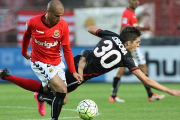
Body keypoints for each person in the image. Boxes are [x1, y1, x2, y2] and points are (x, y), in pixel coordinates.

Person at [1, 26, 180, 117]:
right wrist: (170, 90)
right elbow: (146, 80)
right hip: (79, 75)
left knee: (58, 94)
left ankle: (35, 92)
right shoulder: (126, 57)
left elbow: (90, 28)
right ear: (128, 43)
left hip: (78, 61)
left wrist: (100, 36)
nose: (138, 45)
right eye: (137, 42)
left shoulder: (112, 35)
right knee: (56, 96)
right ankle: (17, 82)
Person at [20, 0, 82, 119]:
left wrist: (73, 71)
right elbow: (26, 36)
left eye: (61, 16)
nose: (59, 18)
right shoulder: (33, 22)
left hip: (56, 63)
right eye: (57, 15)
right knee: (62, 89)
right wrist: (23, 52)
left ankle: (40, 96)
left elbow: (67, 50)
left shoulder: (63, 25)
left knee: (63, 100)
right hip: (39, 61)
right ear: (48, 12)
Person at [109, 0, 165, 103]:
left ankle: (113, 95)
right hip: (131, 45)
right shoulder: (127, 13)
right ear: (129, 2)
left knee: (121, 69)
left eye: (138, 1)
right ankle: (150, 94)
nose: (137, 2)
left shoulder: (132, 13)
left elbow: (133, 27)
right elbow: (123, 28)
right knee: (143, 67)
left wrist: (143, 28)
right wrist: (126, 44)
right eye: (134, 0)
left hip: (131, 45)